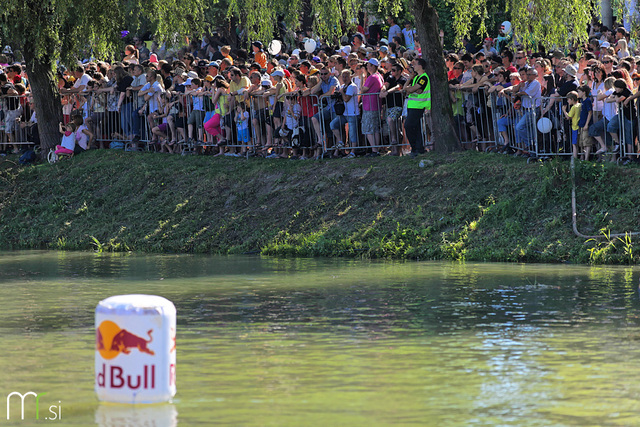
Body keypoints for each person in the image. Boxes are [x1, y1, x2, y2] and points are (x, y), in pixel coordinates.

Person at [403, 57, 430, 157]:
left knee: (408, 125)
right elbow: (406, 89)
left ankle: (414, 148)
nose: (413, 66)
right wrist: (410, 78)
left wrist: (411, 89)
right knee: (416, 128)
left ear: (421, 66)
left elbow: (411, 90)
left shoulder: (424, 77)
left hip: (419, 106)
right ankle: (418, 149)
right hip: (412, 105)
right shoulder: (416, 77)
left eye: (415, 64)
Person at [361, 58, 384, 156]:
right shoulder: (379, 76)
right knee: (375, 129)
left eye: (369, 65)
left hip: (370, 106)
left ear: (373, 66)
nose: (367, 67)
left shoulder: (372, 77)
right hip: (375, 105)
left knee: (368, 129)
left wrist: (363, 77)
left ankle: (374, 150)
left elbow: (363, 89)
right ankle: (376, 149)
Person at [562, 91, 581, 158]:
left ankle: (574, 158)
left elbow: (568, 117)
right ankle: (581, 157)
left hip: (575, 127)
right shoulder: (580, 105)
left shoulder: (574, 107)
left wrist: (564, 110)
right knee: (580, 143)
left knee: (574, 144)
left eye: (568, 100)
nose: (567, 101)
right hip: (579, 126)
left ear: (572, 99)